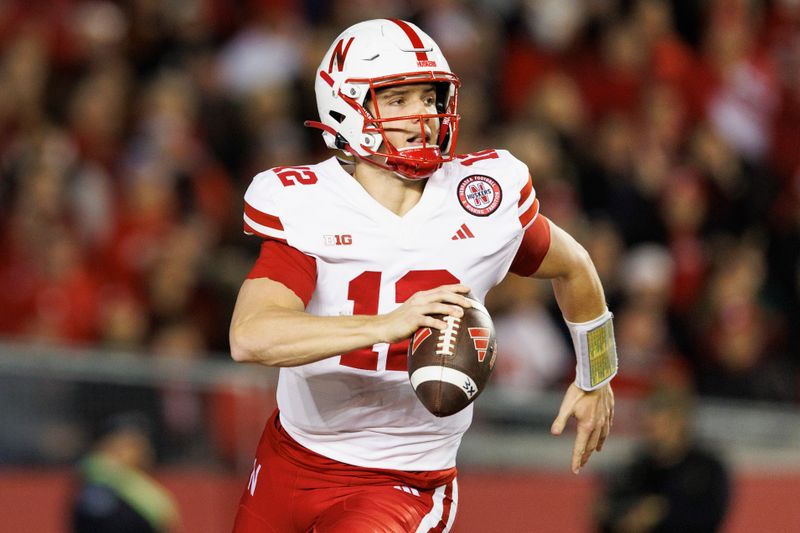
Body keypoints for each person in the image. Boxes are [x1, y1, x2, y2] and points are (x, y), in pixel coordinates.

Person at [229, 19, 617, 532]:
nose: (422, 117)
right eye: (397, 100)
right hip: (290, 456)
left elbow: (575, 266)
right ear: (347, 107)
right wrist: (385, 324)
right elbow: (250, 337)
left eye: (429, 98)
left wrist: (597, 375)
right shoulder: (310, 205)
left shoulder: (477, 202)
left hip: (404, 480)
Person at [595, 387, 730, 533]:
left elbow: (710, 516)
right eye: (647, 426)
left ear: (679, 422)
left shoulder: (706, 468)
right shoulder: (635, 468)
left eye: (658, 424)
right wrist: (615, 516)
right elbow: (609, 511)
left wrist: (663, 514)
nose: (651, 432)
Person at [71, 412, 179, 533]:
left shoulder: (148, 492)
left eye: (136, 446)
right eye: (123, 445)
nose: (127, 452)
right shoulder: (98, 485)